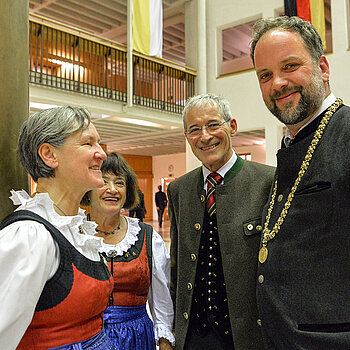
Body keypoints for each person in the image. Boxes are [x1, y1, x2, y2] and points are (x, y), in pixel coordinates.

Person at [250, 16, 350, 349]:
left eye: (289, 66)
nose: (277, 83)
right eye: (265, 75)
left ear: (322, 67)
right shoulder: (292, 145)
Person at [0, 106, 116, 350]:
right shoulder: (30, 236)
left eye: (99, 143)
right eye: (88, 143)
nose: (102, 154)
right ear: (49, 155)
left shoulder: (76, 229)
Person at [167, 93, 274, 350]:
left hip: (248, 337)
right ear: (187, 137)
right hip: (195, 335)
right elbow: (177, 264)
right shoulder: (179, 189)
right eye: (194, 129)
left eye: (213, 125)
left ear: (232, 127)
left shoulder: (268, 182)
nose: (205, 136)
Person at [82, 152, 175, 350]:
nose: (112, 189)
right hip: (86, 339)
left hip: (137, 339)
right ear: (88, 188)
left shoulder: (147, 237)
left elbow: (161, 302)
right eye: (103, 181)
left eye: (120, 183)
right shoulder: (73, 235)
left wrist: (165, 342)